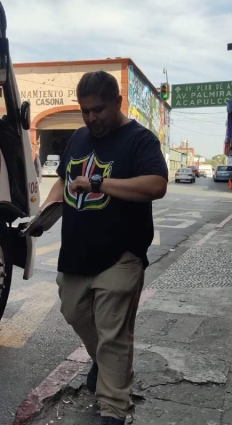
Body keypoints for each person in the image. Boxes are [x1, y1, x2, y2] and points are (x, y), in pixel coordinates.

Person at [43, 71, 168, 425]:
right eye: (85, 111)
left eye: (98, 110)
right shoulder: (80, 137)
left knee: (114, 334)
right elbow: (64, 180)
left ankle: (113, 408)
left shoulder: (139, 140)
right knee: (73, 311)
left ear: (117, 102)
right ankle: (103, 362)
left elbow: (156, 185)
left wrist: (99, 182)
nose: (91, 118)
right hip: (77, 254)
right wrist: (47, 212)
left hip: (122, 255)